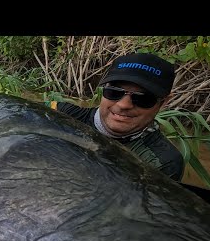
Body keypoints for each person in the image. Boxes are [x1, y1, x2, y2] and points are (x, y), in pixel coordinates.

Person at [51, 52, 184, 181]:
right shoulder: (57, 113)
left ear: (164, 102)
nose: (123, 104)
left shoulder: (163, 162)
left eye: (143, 99)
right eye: (114, 92)